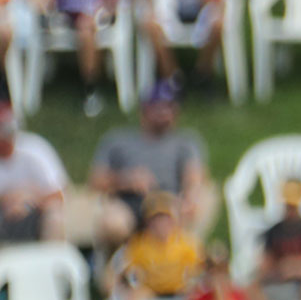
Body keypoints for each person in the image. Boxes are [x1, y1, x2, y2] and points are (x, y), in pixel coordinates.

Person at [86, 79, 215, 247]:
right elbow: (95, 181)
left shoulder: (186, 142)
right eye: (158, 106)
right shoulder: (117, 140)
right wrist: (125, 180)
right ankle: (118, 268)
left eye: (170, 106)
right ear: (144, 109)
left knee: (174, 218)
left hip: (168, 201)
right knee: (113, 224)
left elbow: (194, 176)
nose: (165, 112)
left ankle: (169, 268)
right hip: (128, 202)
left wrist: (189, 197)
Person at [0, 104, 68, 269]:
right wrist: (7, 199)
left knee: (55, 214)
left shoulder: (36, 150)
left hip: (35, 216)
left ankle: (53, 276)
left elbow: (58, 194)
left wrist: (27, 200)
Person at [106, 191, 203, 300]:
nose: (161, 224)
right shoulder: (139, 245)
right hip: (150, 290)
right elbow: (123, 269)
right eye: (156, 220)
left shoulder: (186, 243)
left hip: (180, 289)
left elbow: (198, 269)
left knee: (199, 297)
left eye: (166, 219)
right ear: (148, 222)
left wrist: (193, 284)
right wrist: (126, 284)